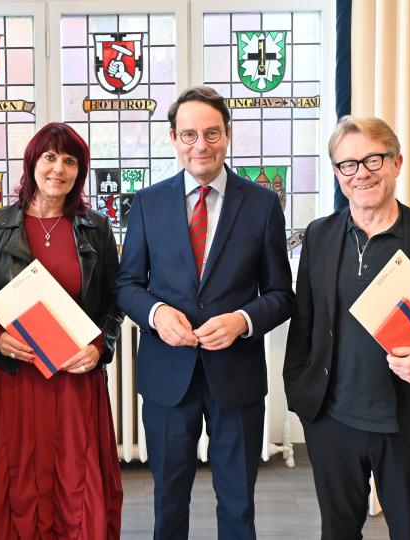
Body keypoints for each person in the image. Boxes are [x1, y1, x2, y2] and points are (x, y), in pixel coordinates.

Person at [283, 116, 410, 540]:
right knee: (338, 532)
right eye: (348, 164)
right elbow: (305, 319)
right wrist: (300, 388)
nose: (361, 173)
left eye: (373, 159)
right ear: (338, 173)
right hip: (332, 422)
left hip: (408, 424)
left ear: (397, 163)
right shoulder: (320, 236)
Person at [115, 85, 294, 540]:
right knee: (169, 500)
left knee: (237, 501)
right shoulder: (147, 203)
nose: (201, 145)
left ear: (228, 134)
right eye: (189, 134)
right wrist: (156, 314)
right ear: (173, 138)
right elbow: (127, 285)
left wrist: (243, 321)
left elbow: (280, 293)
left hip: (236, 377)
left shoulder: (263, 204)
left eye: (212, 133)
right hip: (167, 378)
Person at [0, 122, 124, 539]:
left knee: (78, 481)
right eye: (50, 157)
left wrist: (101, 345)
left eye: (70, 161)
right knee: (18, 484)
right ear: (33, 163)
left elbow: (115, 302)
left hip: (75, 380)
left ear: (79, 172)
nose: (59, 169)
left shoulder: (96, 228)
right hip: (18, 379)